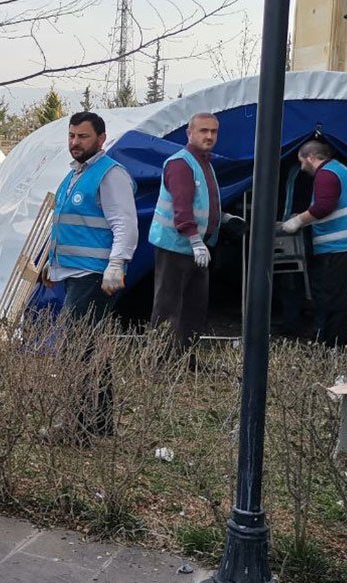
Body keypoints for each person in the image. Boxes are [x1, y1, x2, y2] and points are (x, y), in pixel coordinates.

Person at [41, 111, 137, 439]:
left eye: (82, 136)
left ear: (101, 139)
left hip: (95, 275)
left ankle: (76, 427)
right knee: (91, 348)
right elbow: (66, 225)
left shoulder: (110, 175)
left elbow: (125, 222)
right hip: (74, 273)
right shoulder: (75, 175)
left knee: (74, 347)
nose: (75, 142)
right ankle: (99, 422)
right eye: (71, 136)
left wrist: (117, 263)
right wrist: (52, 266)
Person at [148, 112, 244, 361]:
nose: (209, 136)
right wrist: (194, 240)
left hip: (195, 247)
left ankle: (185, 359)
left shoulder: (204, 162)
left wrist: (223, 219)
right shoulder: (181, 163)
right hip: (176, 246)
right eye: (203, 131)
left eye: (213, 131)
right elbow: (182, 207)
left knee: (194, 307)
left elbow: (204, 203)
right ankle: (160, 361)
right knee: (169, 306)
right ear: (189, 133)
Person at [277, 140, 347, 347]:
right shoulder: (341, 170)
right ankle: (346, 345)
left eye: (302, 162)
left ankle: (334, 347)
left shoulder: (326, 174)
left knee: (335, 301)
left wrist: (296, 222)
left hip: (342, 249)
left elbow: (323, 206)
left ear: (310, 158)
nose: (302, 168)